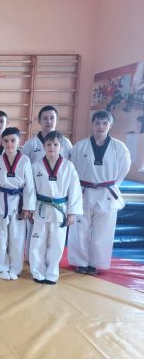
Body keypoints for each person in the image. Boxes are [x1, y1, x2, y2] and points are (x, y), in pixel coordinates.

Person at [68, 110, 131, 274]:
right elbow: (72, 169)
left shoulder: (119, 148)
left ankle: (96, 264)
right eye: (97, 123)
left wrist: (110, 184)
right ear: (92, 124)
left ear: (110, 125)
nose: (101, 126)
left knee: (103, 231)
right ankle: (80, 262)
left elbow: (123, 169)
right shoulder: (80, 146)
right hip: (83, 192)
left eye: (104, 123)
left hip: (107, 193)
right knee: (79, 230)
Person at [30, 131, 82, 284]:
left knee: (57, 243)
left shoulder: (68, 166)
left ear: (61, 147)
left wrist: (72, 213)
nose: (52, 147)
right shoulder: (36, 166)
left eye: (55, 144)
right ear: (43, 146)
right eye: (48, 144)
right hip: (40, 208)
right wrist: (30, 208)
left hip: (60, 210)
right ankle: (38, 272)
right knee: (37, 242)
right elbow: (30, 190)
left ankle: (52, 273)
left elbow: (75, 190)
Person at [0, 127, 35, 280]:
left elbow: (29, 186)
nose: (9, 144)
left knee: (17, 236)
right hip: (0, 200)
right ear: (2, 142)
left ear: (19, 142)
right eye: (6, 141)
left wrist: (28, 207)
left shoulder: (25, 160)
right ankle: (0, 266)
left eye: (13, 140)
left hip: (18, 202)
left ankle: (15, 268)